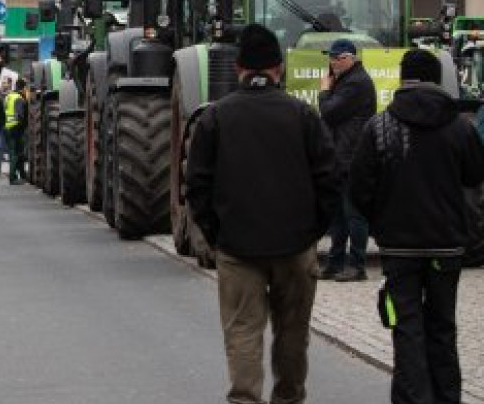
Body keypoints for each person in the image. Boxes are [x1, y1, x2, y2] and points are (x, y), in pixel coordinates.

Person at [186, 23, 335, 404]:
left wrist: (217, 235)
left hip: (237, 247)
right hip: (295, 246)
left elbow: (197, 186)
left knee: (242, 333)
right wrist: (313, 230)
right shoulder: (303, 115)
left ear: (238, 69)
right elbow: (329, 181)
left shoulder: (214, 118)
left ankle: (245, 399)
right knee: (292, 334)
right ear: (278, 69)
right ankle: (288, 397)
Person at [350, 49, 484, 404]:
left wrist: (381, 222)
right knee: (443, 327)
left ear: (401, 78)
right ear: (438, 80)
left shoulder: (379, 126)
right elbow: (475, 176)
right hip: (447, 248)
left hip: (398, 249)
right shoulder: (460, 127)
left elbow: (359, 188)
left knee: (406, 328)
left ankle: (413, 398)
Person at [317, 38, 376, 282]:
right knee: (338, 214)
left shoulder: (356, 83)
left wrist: (323, 90)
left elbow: (329, 112)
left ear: (351, 58)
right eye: (331, 57)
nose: (332, 62)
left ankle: (357, 265)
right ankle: (335, 263)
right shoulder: (347, 81)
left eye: (337, 58)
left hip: (351, 156)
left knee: (353, 213)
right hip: (341, 155)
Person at [4, 78, 29, 185]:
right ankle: (12, 177)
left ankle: (21, 175)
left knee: (14, 152)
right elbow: (20, 115)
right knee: (16, 153)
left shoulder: (8, 96)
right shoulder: (18, 99)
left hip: (7, 126)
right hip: (15, 127)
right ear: (23, 88)